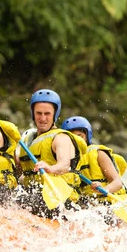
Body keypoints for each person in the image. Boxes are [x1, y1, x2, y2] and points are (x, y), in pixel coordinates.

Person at [15, 89, 87, 218]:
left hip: (60, 201)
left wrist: (50, 168)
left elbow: (64, 164)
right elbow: (18, 171)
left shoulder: (60, 138)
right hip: (34, 195)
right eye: (39, 113)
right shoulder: (27, 141)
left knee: (20, 200)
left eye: (47, 114)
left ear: (55, 114)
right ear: (33, 114)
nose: (42, 118)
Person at [61, 116, 127, 206]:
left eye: (80, 136)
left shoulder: (99, 153)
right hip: (88, 204)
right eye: (72, 138)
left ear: (87, 136)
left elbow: (117, 183)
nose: (77, 140)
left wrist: (103, 189)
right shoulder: (66, 159)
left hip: (110, 203)